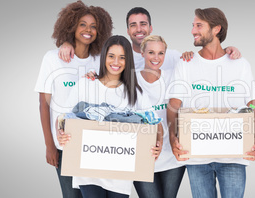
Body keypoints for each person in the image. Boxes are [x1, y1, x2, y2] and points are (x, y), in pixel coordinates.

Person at [166, 8, 255, 198]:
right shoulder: (186, 63)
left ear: (216, 29)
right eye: (193, 25)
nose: (193, 30)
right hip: (196, 157)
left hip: (233, 156)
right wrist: (172, 137)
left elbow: (253, 104)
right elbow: (174, 105)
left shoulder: (240, 64)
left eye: (199, 25)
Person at [57, 35, 162, 198]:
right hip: (88, 171)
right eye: (111, 56)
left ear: (128, 61)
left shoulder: (134, 92)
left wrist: (158, 144)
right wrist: (60, 133)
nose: (116, 62)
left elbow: (154, 122)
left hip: (120, 173)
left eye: (122, 57)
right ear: (104, 56)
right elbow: (63, 117)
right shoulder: (86, 84)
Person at [34, 1, 112, 197]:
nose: (88, 30)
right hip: (65, 145)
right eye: (82, 24)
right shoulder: (53, 58)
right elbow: (44, 105)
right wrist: (50, 145)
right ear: (71, 27)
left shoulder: (100, 60)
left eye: (94, 26)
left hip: (94, 146)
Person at [59, 7, 242, 72]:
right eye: (133, 25)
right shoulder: (116, 58)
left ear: (151, 28)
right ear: (128, 30)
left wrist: (225, 51)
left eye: (143, 24)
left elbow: (203, 62)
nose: (139, 29)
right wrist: (66, 42)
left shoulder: (171, 56)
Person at [132, 35, 185, 198]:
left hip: (171, 155)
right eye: (151, 52)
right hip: (142, 156)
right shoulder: (131, 79)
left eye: (161, 53)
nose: (156, 58)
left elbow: (202, 63)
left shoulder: (173, 76)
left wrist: (228, 50)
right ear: (142, 53)